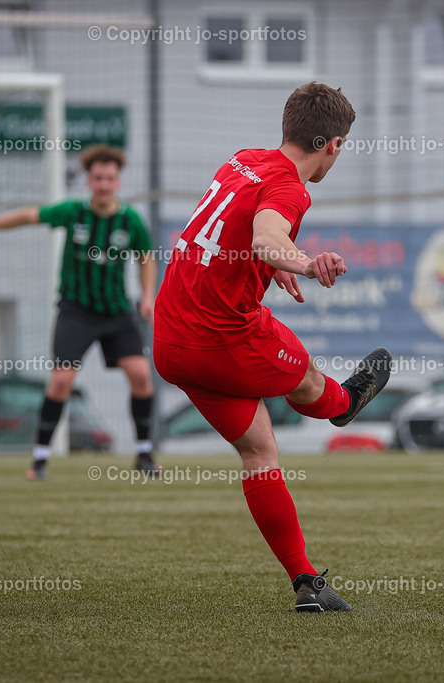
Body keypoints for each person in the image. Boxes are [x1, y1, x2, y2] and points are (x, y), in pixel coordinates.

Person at [153, 82, 391, 613]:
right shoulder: (291, 188)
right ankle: (346, 403)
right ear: (332, 144)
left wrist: (271, 263)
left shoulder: (243, 159)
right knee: (308, 380)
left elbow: (233, 232)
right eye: (343, 146)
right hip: (222, 336)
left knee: (260, 452)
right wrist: (303, 262)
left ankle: (307, 583)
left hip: (170, 340)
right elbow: (264, 236)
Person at [0, 144, 160, 480]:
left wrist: (148, 296)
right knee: (61, 381)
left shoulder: (130, 220)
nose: (104, 184)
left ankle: (145, 454)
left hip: (116, 312)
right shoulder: (72, 212)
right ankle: (40, 459)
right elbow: (26, 216)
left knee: (142, 376)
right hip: (76, 311)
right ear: (89, 181)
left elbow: (146, 258)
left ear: (118, 181)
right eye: (98, 178)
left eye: (109, 178)